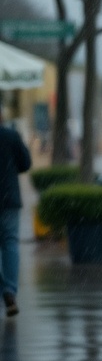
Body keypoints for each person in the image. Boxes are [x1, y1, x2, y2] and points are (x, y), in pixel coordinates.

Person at [0, 104, 31, 317]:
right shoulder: (11, 136)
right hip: (9, 198)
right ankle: (10, 290)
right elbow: (26, 163)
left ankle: (4, 288)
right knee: (10, 243)